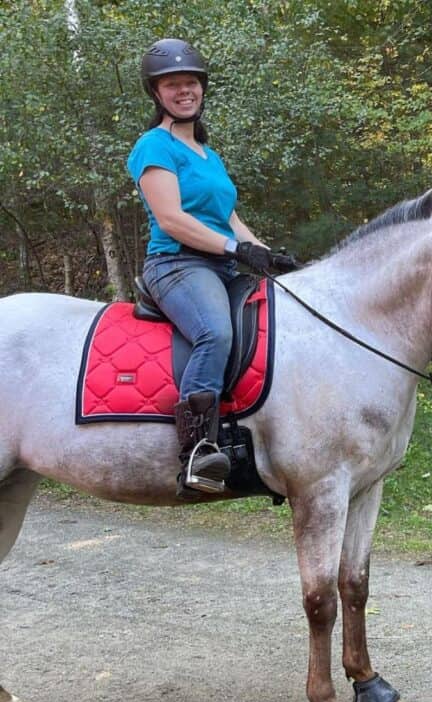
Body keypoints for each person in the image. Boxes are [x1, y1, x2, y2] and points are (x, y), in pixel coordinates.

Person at [127, 38, 272, 498]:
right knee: (216, 331)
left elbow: (226, 216)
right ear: (157, 93)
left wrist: (263, 250)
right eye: (172, 85)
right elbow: (173, 218)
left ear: (202, 88)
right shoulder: (153, 146)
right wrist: (234, 249)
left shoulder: (210, 156)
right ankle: (196, 450)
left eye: (190, 82)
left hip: (220, 261)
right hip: (176, 263)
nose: (183, 91)